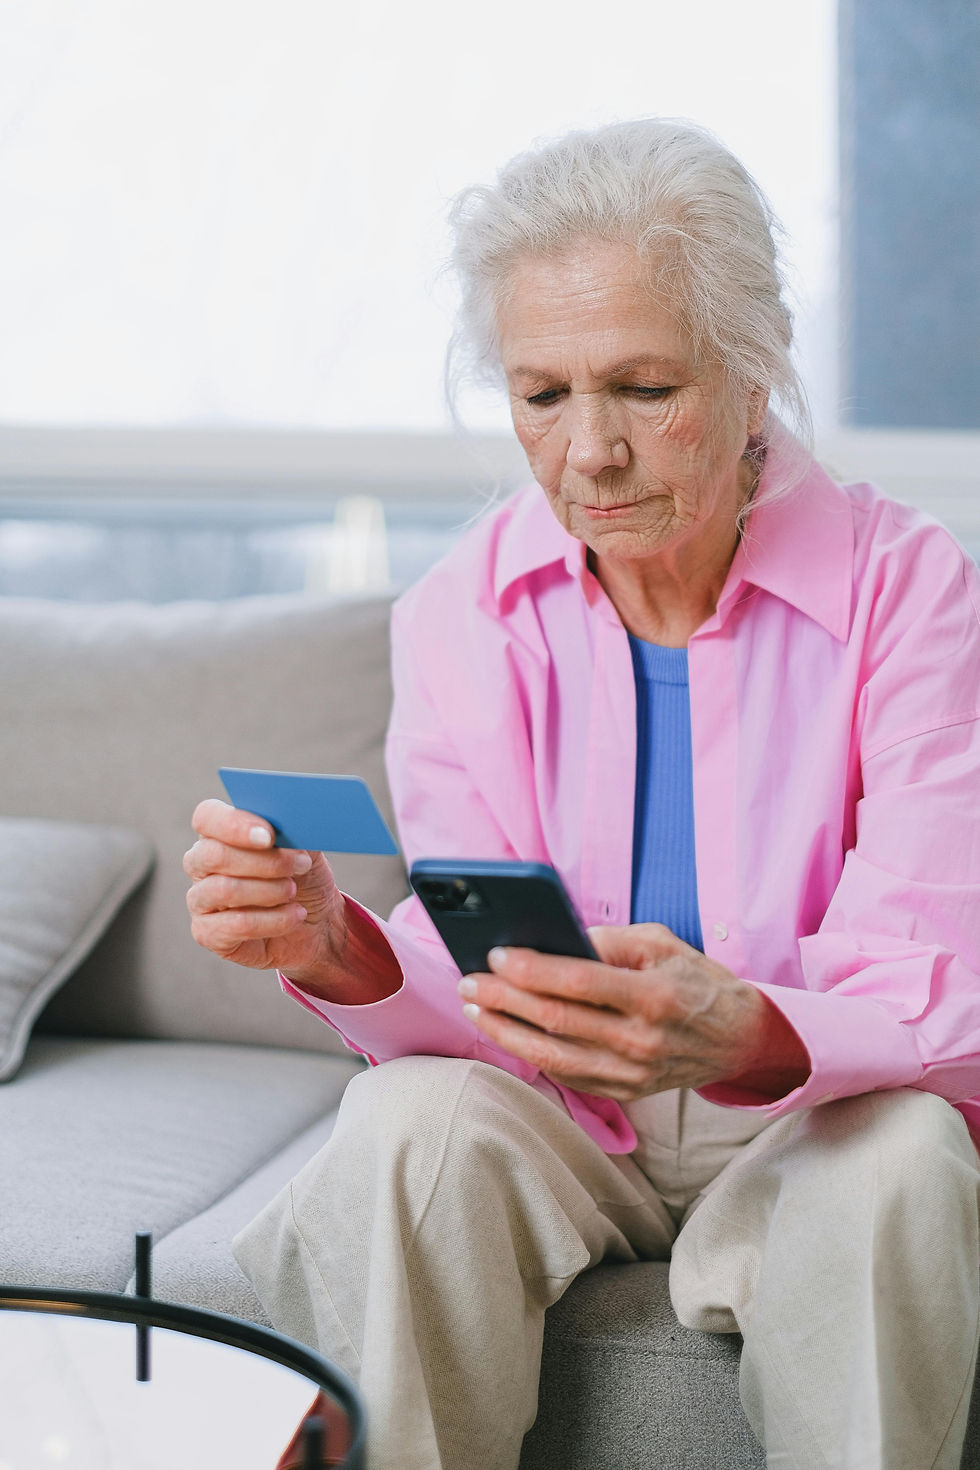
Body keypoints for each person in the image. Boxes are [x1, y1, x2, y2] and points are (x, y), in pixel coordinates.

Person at [183, 119, 980, 1469]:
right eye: (542, 395)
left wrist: (738, 1027)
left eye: (643, 388)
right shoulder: (461, 611)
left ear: (751, 370)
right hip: (562, 1113)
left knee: (904, 1154)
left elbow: (940, 988)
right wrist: (340, 947)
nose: (589, 451)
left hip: (808, 1108)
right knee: (398, 1127)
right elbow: (484, 969)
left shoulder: (915, 593)